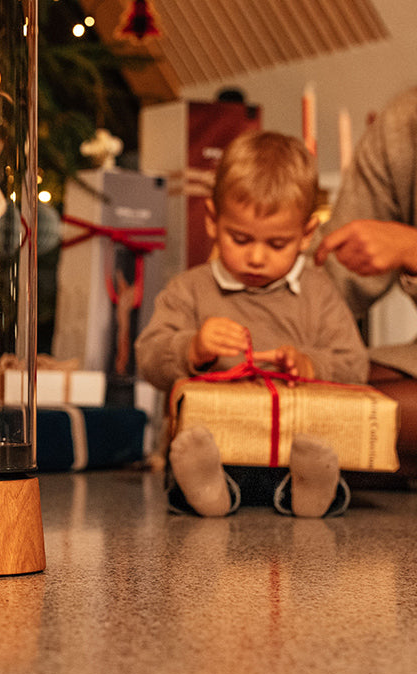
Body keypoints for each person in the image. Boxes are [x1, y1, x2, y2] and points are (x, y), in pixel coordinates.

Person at [135, 130, 369, 517]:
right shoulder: (190, 289)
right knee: (197, 453)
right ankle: (209, 488)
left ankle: (306, 489)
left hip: (291, 447)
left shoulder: (318, 293)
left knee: (314, 453)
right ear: (213, 220)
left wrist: (311, 364)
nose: (257, 258)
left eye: (277, 244)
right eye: (240, 239)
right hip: (217, 449)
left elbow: (355, 364)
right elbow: (148, 356)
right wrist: (192, 348)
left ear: (307, 234)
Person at [315, 87, 417, 478]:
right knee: (296, 395)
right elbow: (333, 274)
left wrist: (410, 248)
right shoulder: (403, 122)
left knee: (325, 421)